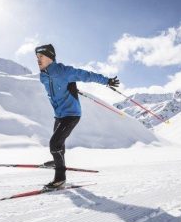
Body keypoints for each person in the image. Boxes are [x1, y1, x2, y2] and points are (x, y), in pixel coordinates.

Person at [36, 44, 120, 189]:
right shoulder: (43, 76)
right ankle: (57, 162)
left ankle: (60, 179)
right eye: (37, 57)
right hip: (59, 115)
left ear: (50, 57)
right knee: (59, 143)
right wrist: (70, 87)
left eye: (41, 56)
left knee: (54, 144)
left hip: (71, 114)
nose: (38, 60)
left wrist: (106, 81)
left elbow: (86, 75)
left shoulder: (64, 71)